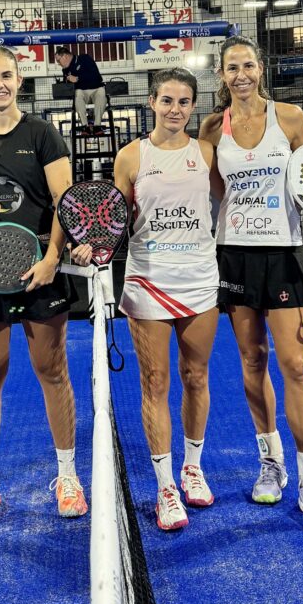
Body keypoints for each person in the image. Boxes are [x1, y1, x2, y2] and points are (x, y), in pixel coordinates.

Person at [200, 36, 303, 532]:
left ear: (260, 69)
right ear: (222, 75)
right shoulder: (211, 128)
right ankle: (271, 462)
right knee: (253, 361)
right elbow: (216, 194)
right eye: (232, 68)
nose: (241, 75)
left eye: (248, 65)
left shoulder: (290, 118)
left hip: (285, 253)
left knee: (296, 365)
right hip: (234, 255)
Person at [0, 44, 90, 526]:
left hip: (39, 273)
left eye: (6, 76)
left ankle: (68, 477)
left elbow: (64, 200)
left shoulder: (42, 134)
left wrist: (52, 259)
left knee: (52, 371)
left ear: (20, 80)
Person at [113, 67, 220, 532]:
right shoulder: (130, 156)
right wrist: (91, 244)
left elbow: (232, 200)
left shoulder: (207, 153)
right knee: (155, 383)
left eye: (183, 101)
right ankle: (165, 487)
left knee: (196, 377)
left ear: (192, 106)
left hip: (199, 280)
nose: (175, 109)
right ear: (152, 103)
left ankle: (192, 468)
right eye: (167, 100)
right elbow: (113, 219)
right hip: (148, 281)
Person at [54, 45, 106, 133]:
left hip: (96, 89)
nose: (58, 64)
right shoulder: (65, 70)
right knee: (78, 93)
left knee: (101, 91)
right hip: (82, 93)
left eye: (58, 61)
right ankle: (84, 126)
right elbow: (68, 87)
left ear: (65, 56)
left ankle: (97, 125)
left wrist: (78, 78)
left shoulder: (84, 58)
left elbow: (96, 77)